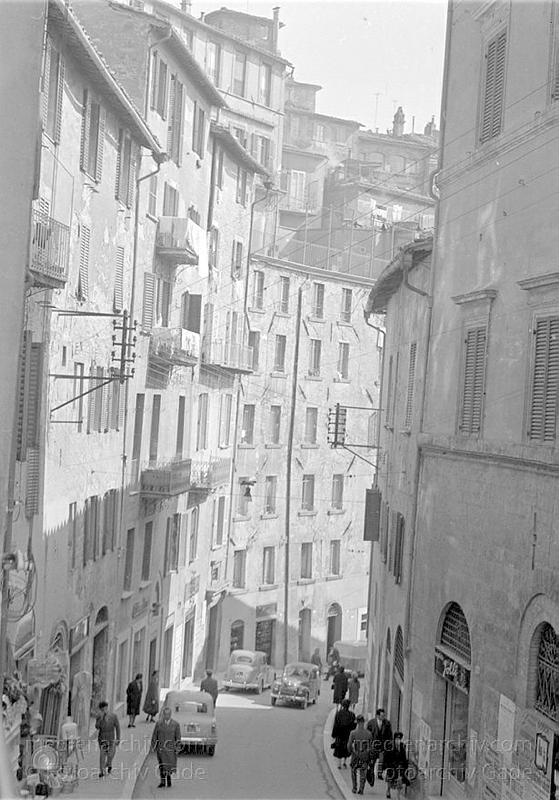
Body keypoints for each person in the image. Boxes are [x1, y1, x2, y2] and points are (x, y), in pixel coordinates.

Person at [151, 706, 181, 788]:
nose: (166, 716)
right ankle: (163, 781)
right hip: (161, 748)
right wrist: (153, 746)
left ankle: (169, 779)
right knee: (162, 765)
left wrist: (178, 747)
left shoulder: (175, 724)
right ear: (163, 715)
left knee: (169, 765)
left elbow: (178, 737)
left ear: (170, 715)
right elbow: (154, 735)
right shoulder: (159, 724)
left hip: (170, 748)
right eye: (165, 714)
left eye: (168, 714)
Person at [347, 714, 373, 795]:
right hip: (364, 756)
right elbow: (371, 747)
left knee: (353, 772)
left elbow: (349, 745)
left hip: (355, 756)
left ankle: (354, 788)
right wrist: (368, 755)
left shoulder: (353, 733)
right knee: (363, 773)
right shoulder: (369, 734)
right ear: (363, 722)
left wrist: (351, 752)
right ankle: (361, 789)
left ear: (357, 722)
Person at [366, 707, 393, 780]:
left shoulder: (387, 723)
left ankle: (379, 774)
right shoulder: (371, 723)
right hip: (373, 745)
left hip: (383, 745)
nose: (383, 717)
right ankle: (371, 772)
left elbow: (390, 735)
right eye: (382, 715)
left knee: (381, 760)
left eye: (384, 715)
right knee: (372, 760)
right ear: (377, 716)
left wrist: (389, 744)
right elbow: (367, 734)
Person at [95, 701, 120, 778]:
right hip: (102, 738)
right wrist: (101, 719)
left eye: (106, 708)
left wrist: (118, 738)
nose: (105, 711)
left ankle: (109, 764)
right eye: (103, 710)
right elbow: (97, 727)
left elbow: (117, 727)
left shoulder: (113, 716)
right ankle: (101, 771)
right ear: (101, 710)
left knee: (111, 754)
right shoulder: (99, 717)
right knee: (103, 754)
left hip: (111, 738)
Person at [331, 698, 356, 769]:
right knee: (346, 749)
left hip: (340, 734)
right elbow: (353, 726)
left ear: (342, 705)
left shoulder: (338, 714)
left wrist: (334, 734)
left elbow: (336, 725)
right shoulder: (352, 715)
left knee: (339, 748)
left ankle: (339, 764)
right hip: (348, 735)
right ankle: (344, 762)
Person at [383, 732, 409, 799]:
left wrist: (404, 765)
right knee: (390, 779)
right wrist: (385, 766)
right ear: (394, 739)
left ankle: (398, 795)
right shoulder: (390, 745)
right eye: (397, 739)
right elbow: (386, 756)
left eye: (399, 739)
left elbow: (404, 757)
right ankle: (388, 790)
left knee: (400, 780)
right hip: (391, 765)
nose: (398, 740)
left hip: (399, 766)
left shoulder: (402, 746)